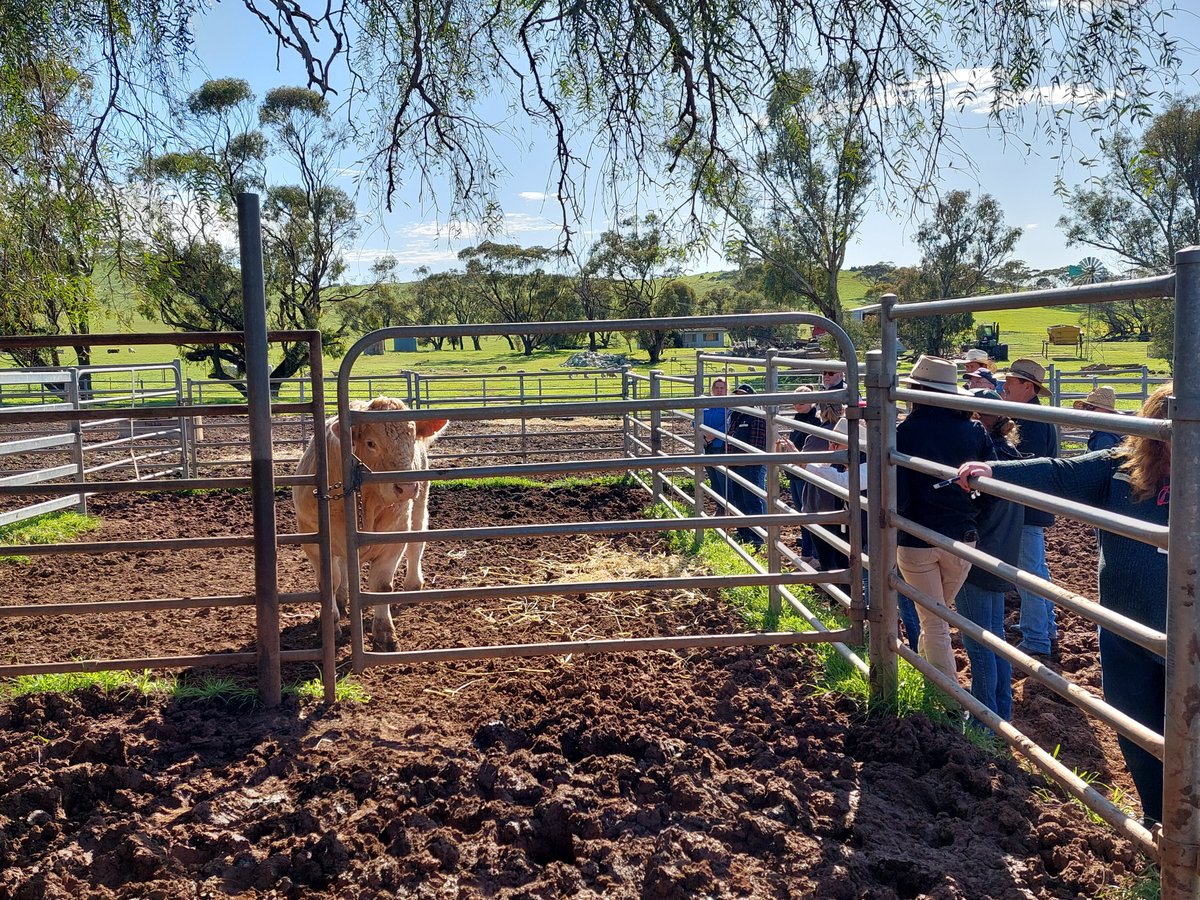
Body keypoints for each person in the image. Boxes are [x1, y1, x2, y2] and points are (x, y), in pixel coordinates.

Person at [955, 383, 1169, 824]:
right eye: (1168, 428)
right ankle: (1157, 819)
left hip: (1187, 632)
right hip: (1123, 625)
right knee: (1134, 723)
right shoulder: (1121, 467)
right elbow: (1059, 472)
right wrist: (993, 472)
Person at [895, 355, 995, 677]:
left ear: (917, 390)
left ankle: (948, 700)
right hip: (963, 538)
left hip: (916, 537)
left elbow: (898, 493)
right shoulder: (974, 431)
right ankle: (927, 681)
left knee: (934, 622)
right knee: (936, 618)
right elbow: (995, 484)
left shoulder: (904, 432)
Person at [954, 389, 1024, 724]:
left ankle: (984, 718)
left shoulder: (986, 460)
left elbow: (976, 507)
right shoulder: (1010, 453)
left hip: (981, 553)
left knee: (978, 638)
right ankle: (1000, 713)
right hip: (1004, 551)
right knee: (994, 634)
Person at [1000, 358, 1060, 658]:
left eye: (1011, 382)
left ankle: (1037, 638)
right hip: (1032, 506)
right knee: (1036, 569)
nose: (1005, 386)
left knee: (1029, 573)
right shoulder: (1032, 415)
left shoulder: (1031, 420)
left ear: (1028, 386)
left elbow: (1027, 464)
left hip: (1027, 507)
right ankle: (1043, 627)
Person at [726, 383, 767, 547]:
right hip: (736, 462)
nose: (739, 398)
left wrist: (747, 460)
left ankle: (757, 536)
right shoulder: (735, 415)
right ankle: (744, 532)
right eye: (737, 395)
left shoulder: (756, 416)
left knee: (751, 499)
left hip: (749, 464)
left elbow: (757, 443)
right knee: (739, 499)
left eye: (743, 395)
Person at [787, 385, 821, 564]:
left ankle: (814, 553)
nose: (797, 403)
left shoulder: (815, 421)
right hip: (795, 472)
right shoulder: (798, 420)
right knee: (803, 514)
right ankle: (808, 552)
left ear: (812, 401)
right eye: (795, 399)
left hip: (805, 472)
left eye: (802, 399)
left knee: (808, 513)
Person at [701, 377, 731, 513]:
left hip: (720, 445)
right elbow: (696, 421)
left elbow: (728, 424)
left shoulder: (728, 406)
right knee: (714, 479)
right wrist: (703, 436)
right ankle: (720, 507)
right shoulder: (706, 405)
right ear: (712, 390)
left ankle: (728, 507)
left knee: (723, 479)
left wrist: (712, 436)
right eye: (717, 388)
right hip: (707, 445)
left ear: (726, 390)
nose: (719, 391)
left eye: (722, 388)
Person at [1073, 386, 1123, 452]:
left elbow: (1101, 461)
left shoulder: (1104, 437)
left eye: (1091, 407)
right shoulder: (1106, 430)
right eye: (1087, 407)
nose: (1087, 410)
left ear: (1105, 410)